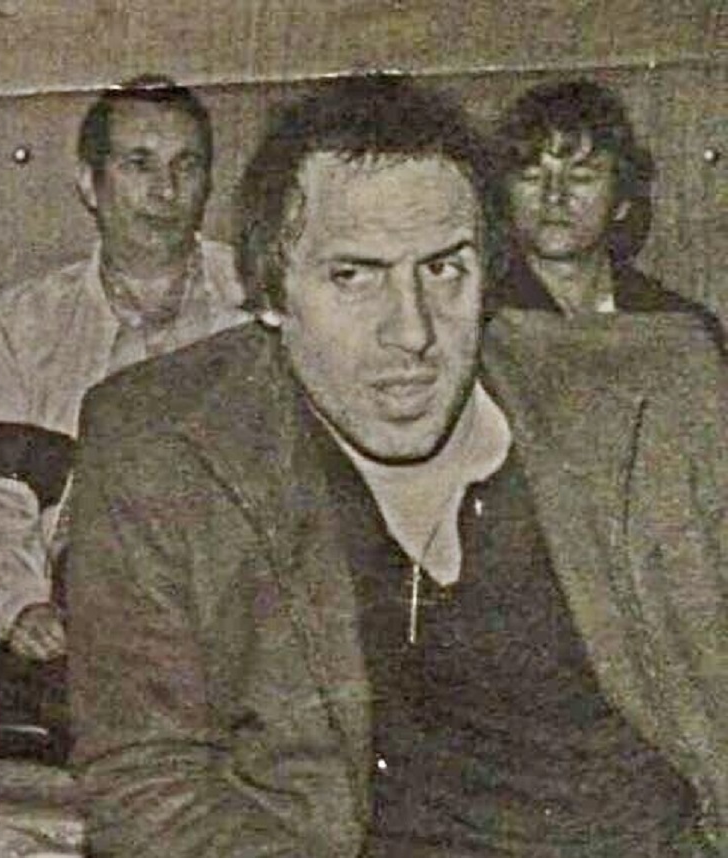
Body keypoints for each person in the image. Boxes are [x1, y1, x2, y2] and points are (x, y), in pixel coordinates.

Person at [69, 75, 726, 857]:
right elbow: (146, 783)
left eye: (444, 269)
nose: (412, 331)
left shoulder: (653, 393)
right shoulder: (163, 441)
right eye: (355, 276)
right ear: (271, 295)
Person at [0, 74, 249, 664]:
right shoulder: (20, 329)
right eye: (139, 164)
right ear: (89, 182)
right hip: (83, 621)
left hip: (239, 613)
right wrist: (20, 602)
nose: (166, 191)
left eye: (186, 166)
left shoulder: (268, 308)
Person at [493, 79, 720, 341]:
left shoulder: (676, 327)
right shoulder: (479, 323)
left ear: (621, 200)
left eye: (580, 178)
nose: (554, 196)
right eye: (532, 177)